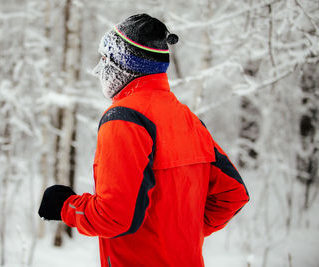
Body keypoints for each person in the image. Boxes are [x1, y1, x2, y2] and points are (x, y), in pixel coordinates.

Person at [38, 14, 250, 267]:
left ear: (124, 65)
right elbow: (233, 194)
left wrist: (65, 206)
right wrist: (178, 235)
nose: (98, 70)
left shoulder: (124, 118)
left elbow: (112, 217)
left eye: (105, 60)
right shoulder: (189, 120)